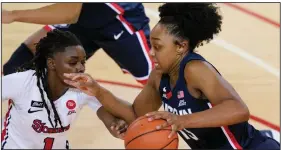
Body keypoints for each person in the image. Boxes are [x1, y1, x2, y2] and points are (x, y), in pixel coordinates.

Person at [63, 3, 280, 149]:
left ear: (181, 47)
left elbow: (238, 109)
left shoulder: (195, 70)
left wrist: (182, 120)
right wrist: (98, 91)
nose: (150, 52)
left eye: (157, 47)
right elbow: (136, 114)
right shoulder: (159, 76)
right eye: (151, 45)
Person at [1, 29, 127, 149]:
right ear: (52, 64)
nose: (80, 68)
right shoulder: (23, 82)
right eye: (73, 63)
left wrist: (116, 126)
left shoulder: (84, 89)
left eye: (83, 62)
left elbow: (110, 119)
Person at [2, 3, 153, 85]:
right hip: (83, 15)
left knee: (158, 80)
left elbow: (69, 13)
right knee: (21, 64)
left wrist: (13, 15)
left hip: (117, 19)